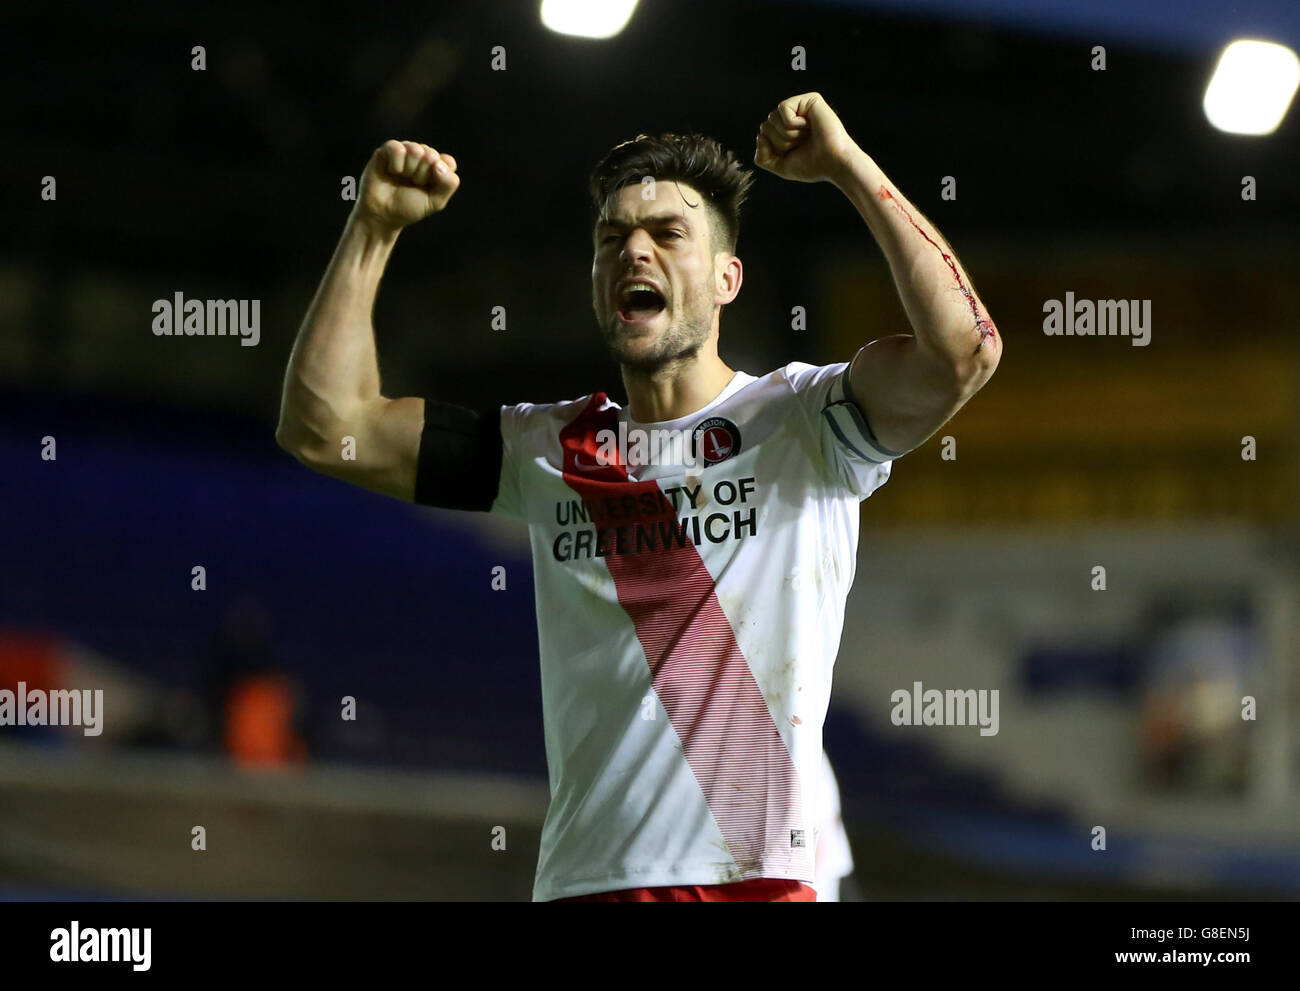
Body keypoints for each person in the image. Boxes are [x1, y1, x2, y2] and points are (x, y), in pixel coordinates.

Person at [276, 92, 1000, 902]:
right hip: (590, 886)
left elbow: (964, 353)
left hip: (757, 884)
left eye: (667, 233)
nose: (634, 251)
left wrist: (847, 167)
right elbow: (326, 426)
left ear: (727, 278)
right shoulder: (545, 449)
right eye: (611, 238)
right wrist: (373, 226)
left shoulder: (805, 422)